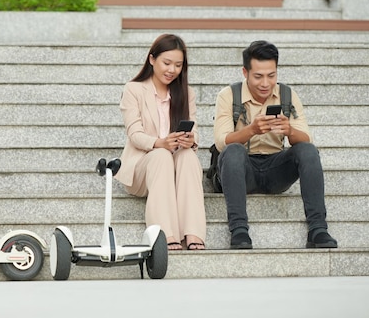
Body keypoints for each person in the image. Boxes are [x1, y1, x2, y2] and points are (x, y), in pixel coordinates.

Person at [213, 40, 338, 250]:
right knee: (233, 150)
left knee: (308, 150)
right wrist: (250, 130)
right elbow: (220, 142)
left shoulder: (287, 95)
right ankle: (239, 230)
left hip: (275, 169)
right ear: (245, 72)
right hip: (243, 170)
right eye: (258, 76)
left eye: (271, 75)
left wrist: (289, 131)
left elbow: (305, 137)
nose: (265, 83)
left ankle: (318, 229)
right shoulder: (228, 95)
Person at [116, 33, 206, 250]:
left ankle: (193, 233)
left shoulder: (186, 93)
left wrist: (190, 139)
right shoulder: (134, 89)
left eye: (177, 65)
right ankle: (164, 234)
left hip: (175, 165)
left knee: (188, 156)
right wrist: (160, 143)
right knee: (161, 155)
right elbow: (135, 134)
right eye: (167, 63)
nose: (171, 70)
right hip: (143, 168)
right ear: (152, 59)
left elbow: (195, 129)